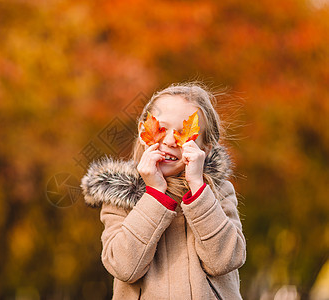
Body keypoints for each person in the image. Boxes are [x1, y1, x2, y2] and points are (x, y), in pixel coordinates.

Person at [81, 82, 246, 299]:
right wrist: (155, 195)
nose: (169, 141)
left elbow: (226, 259)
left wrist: (197, 187)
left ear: (205, 148)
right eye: (161, 128)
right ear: (143, 131)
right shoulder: (119, 196)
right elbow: (123, 267)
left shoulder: (217, 191)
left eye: (183, 134)